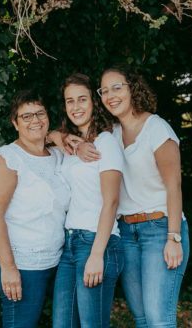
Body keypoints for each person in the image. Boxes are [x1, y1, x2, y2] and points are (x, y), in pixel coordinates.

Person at [97, 65, 189, 328]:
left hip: (160, 229)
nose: (110, 95)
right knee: (142, 319)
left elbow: (174, 187)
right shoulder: (110, 133)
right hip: (127, 233)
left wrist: (173, 238)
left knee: (159, 320)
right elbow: (73, 132)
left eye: (117, 87)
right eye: (104, 90)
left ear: (132, 88)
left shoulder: (156, 129)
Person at [0, 89, 70, 328]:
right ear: (15, 123)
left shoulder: (58, 154)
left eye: (39, 113)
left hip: (59, 259)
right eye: (26, 116)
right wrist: (8, 268)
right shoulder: (9, 159)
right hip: (23, 264)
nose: (35, 120)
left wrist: (58, 136)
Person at [49, 73, 124, 328]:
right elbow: (46, 137)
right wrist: (61, 137)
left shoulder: (106, 142)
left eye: (82, 99)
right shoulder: (72, 145)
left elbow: (111, 202)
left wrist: (96, 255)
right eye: (70, 101)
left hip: (97, 242)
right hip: (70, 245)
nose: (76, 107)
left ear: (94, 101)